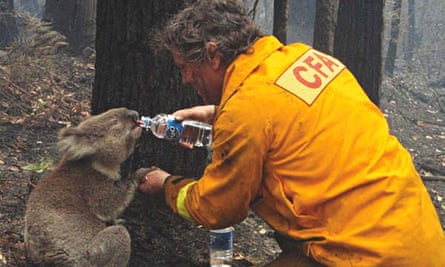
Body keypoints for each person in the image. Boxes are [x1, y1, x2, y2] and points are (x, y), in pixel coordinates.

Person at [139, 0, 445, 266]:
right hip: (417, 237)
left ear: (213, 55)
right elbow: (288, 119)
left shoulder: (246, 110)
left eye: (185, 67)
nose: (184, 79)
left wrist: (166, 185)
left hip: (364, 255)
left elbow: (218, 208)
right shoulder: (301, 58)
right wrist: (218, 115)